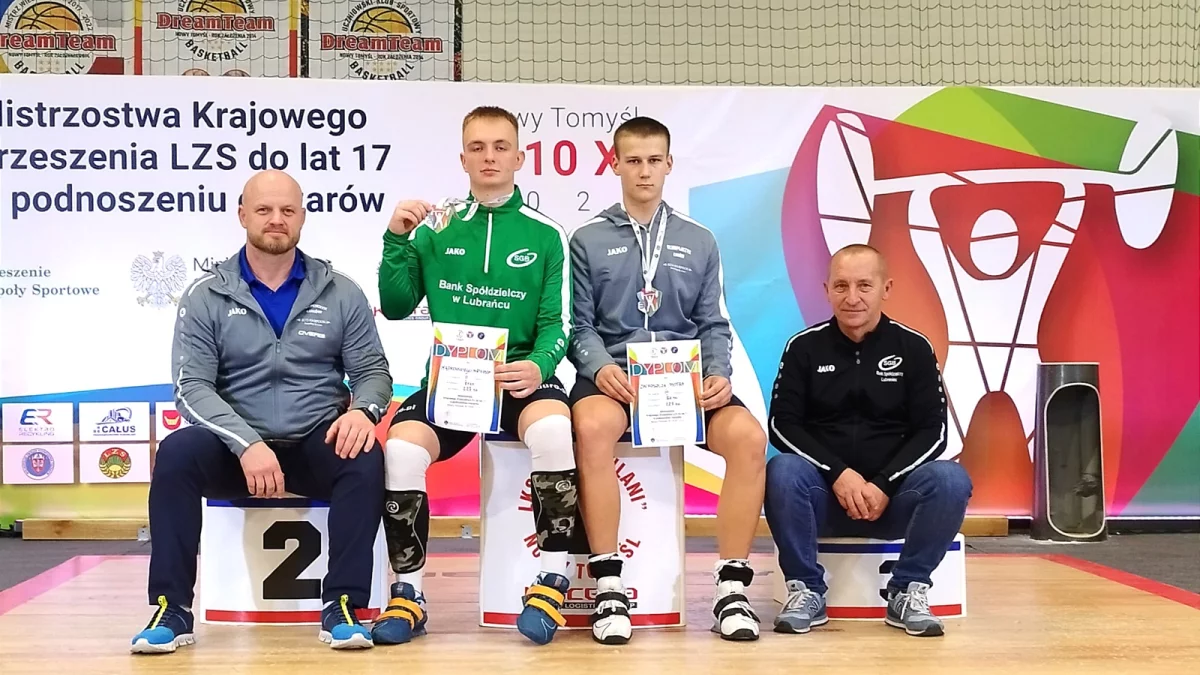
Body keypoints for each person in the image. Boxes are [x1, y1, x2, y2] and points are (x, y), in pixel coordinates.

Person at [131, 170, 393, 654]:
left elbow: (373, 371)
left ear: (302, 218)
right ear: (242, 215)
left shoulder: (342, 292)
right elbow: (191, 387)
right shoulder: (206, 294)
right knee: (176, 454)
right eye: (264, 209)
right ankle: (172, 608)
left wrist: (364, 411)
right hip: (235, 450)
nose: (276, 219)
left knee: (364, 456)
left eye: (287, 210)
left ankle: (343, 605)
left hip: (314, 440)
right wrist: (246, 443)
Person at [373, 106, 577, 647]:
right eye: (478, 147)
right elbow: (395, 305)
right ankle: (408, 594)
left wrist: (539, 365)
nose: (490, 157)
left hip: (519, 379)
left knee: (554, 430)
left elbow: (559, 323)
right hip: (453, 381)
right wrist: (396, 239)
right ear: (462, 157)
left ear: (520, 157)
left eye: (500, 147)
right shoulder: (435, 229)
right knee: (401, 449)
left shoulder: (547, 234)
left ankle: (552, 580)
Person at [567, 116, 767, 644]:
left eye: (654, 160)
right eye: (633, 160)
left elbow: (713, 323)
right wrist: (600, 367)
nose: (644, 171)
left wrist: (718, 374)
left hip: (684, 380)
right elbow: (579, 326)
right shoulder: (586, 238)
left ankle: (732, 589)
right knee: (590, 427)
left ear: (669, 164)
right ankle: (609, 587)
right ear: (614, 164)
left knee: (749, 439)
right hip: (616, 378)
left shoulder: (699, 240)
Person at [765, 243, 973, 638]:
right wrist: (838, 474)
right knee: (782, 470)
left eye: (864, 285)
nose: (852, 297)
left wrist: (883, 484)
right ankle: (806, 590)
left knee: (950, 479)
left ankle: (907, 590)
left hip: (895, 501)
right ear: (827, 290)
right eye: (841, 286)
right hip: (823, 500)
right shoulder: (802, 348)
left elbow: (934, 433)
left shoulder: (915, 348)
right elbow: (782, 426)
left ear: (886, 288)